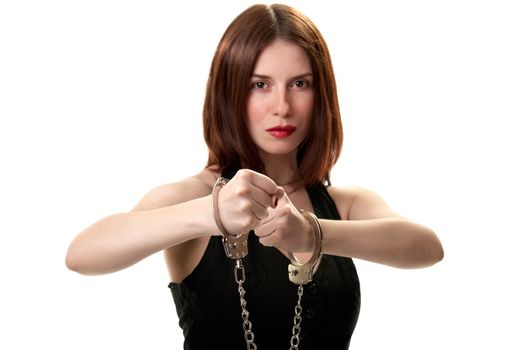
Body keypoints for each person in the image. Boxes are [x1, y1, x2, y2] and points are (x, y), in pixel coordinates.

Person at [66, 3, 444, 350]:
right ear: (230, 93)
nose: (282, 107)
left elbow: (426, 248)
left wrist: (311, 233)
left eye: (300, 83)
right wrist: (213, 213)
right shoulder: (193, 195)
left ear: (320, 94)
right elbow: (81, 255)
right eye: (259, 84)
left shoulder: (345, 204)